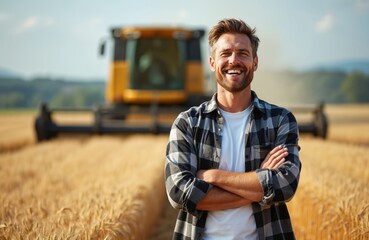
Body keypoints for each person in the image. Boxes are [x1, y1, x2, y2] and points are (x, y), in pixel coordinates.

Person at [165, 18, 301, 240]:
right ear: (212, 62)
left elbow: (285, 186)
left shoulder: (280, 120)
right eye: (226, 53)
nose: (234, 60)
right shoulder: (188, 123)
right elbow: (180, 193)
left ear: (255, 62)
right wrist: (261, 183)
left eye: (243, 53)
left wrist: (212, 175)